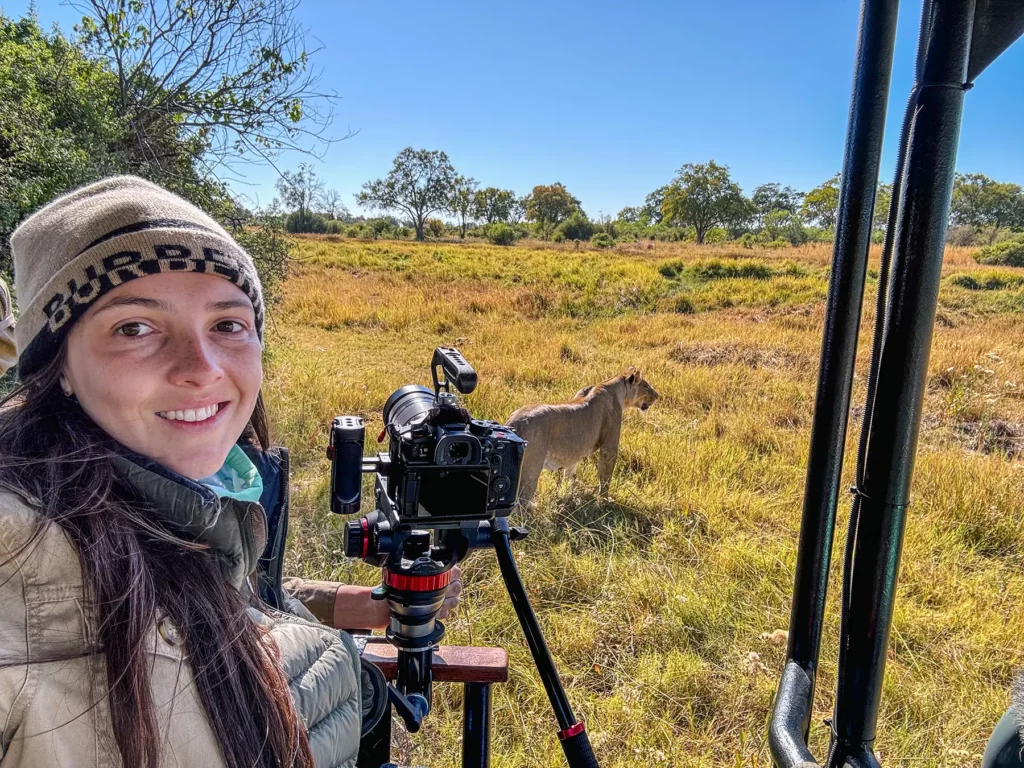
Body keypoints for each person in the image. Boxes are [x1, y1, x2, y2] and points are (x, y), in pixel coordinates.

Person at [0, 176, 461, 768]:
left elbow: (215, 585)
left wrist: (361, 605)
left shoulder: (191, 490)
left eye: (227, 324)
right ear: (56, 364)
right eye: (135, 327)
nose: (202, 368)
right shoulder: (19, 553)